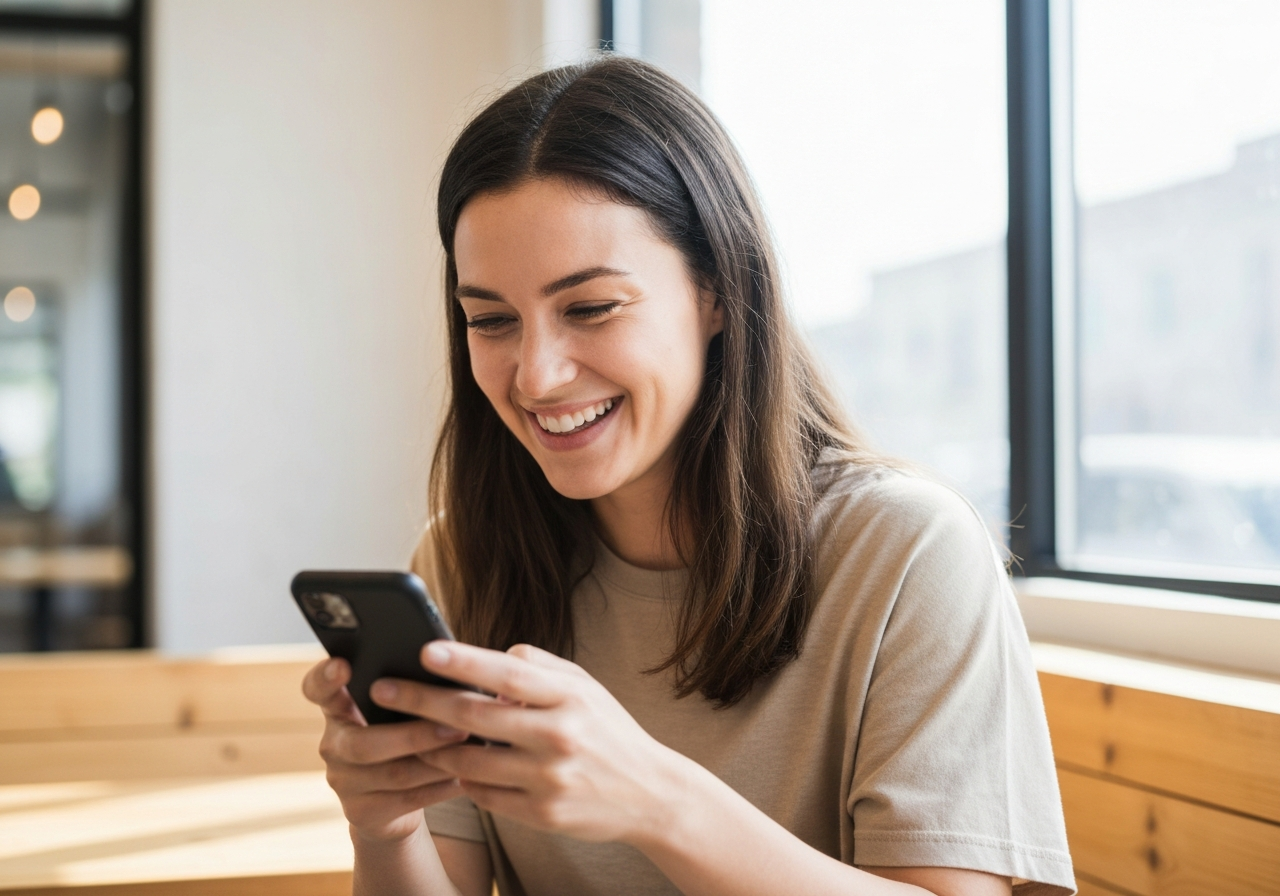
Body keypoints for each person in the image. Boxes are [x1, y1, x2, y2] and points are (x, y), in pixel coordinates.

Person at [302, 56, 1074, 896]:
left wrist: (655, 800)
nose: (536, 376)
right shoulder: (465, 560)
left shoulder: (906, 553)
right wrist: (384, 825)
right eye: (491, 320)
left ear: (715, 288)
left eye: (590, 308)